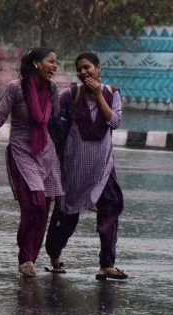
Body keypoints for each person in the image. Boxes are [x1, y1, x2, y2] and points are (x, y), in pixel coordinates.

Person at [44, 52, 128, 280]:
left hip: (103, 168)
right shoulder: (70, 95)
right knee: (66, 215)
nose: (83, 72)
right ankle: (54, 255)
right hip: (74, 167)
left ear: (98, 68)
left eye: (87, 67)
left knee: (110, 208)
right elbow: (51, 121)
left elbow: (114, 121)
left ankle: (107, 265)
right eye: (79, 69)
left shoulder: (112, 93)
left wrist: (99, 95)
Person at [0, 47, 62, 277]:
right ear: (37, 64)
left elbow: (56, 119)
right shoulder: (15, 88)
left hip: (46, 151)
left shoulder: (51, 89)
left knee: (44, 208)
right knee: (34, 202)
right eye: (51, 62)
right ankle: (25, 255)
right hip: (22, 149)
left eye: (55, 62)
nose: (55, 66)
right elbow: (0, 114)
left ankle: (30, 258)